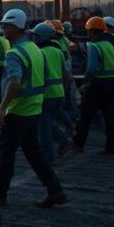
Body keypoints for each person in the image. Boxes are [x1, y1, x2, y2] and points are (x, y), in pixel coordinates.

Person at [0, 9, 66, 207]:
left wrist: (2, 108)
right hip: (33, 109)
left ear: (15, 28)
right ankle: (55, 190)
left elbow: (15, 82)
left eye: (5, 26)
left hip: (18, 111)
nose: (3, 30)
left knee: (5, 153)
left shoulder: (15, 53)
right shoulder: (35, 49)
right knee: (34, 153)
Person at [73, 16, 114, 154]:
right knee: (110, 116)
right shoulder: (109, 45)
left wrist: (85, 83)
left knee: (86, 116)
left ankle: (79, 143)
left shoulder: (94, 46)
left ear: (92, 32)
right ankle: (111, 145)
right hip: (111, 82)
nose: (88, 35)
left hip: (97, 84)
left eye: (88, 32)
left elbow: (91, 69)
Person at [31, 23, 71, 164]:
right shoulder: (57, 51)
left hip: (45, 95)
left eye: (35, 36)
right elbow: (67, 75)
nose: (33, 38)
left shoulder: (39, 53)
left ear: (40, 37)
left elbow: (39, 76)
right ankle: (65, 139)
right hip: (58, 94)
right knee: (47, 123)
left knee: (44, 128)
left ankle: (49, 157)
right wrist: (63, 92)